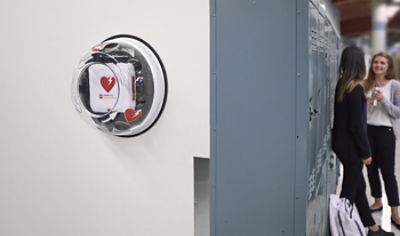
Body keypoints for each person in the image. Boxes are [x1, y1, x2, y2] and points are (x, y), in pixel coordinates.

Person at [332, 46, 394, 235]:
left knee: (359, 187)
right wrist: (366, 153)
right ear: (360, 64)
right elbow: (357, 128)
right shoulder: (356, 89)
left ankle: (373, 228)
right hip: (351, 148)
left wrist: (362, 104)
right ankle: (339, 228)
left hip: (341, 144)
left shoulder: (344, 83)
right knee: (347, 196)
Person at [363, 52, 400, 230]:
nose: (378, 65)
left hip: (385, 132)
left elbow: (398, 112)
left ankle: (395, 212)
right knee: (371, 169)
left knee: (388, 173)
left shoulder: (394, 85)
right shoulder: (366, 84)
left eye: (382, 63)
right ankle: (377, 201)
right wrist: (366, 103)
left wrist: (383, 100)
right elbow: (359, 111)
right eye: (376, 62)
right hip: (368, 131)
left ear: (388, 66)